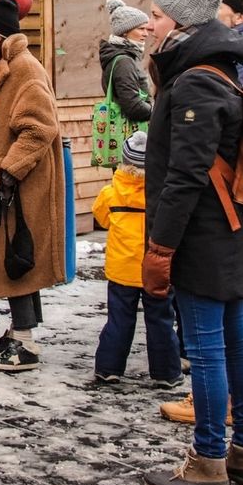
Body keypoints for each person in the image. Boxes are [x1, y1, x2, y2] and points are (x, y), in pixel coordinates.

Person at [142, 0, 243, 485]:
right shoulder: (221, 68)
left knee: (210, 349)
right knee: (237, 342)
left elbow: (185, 176)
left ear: (182, 25)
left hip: (204, 235)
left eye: (156, 16)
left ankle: (209, 460)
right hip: (233, 229)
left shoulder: (195, 81)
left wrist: (161, 246)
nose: (149, 23)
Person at [0, 0, 66, 373]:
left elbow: (39, 128)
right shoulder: (4, 64)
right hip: (9, 184)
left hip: (20, 187)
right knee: (14, 258)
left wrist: (10, 169)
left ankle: (26, 342)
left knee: (17, 260)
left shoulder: (25, 70)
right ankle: (18, 332)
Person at [92, 130, 181, 387]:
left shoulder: (111, 193)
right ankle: (166, 372)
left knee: (119, 320)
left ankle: (108, 368)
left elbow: (102, 218)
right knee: (161, 320)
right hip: (155, 267)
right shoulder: (162, 192)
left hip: (121, 270)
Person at [100, 0, 153, 137]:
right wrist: (157, 112)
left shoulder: (123, 56)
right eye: (141, 29)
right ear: (125, 31)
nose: (146, 34)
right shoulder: (124, 61)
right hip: (130, 135)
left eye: (146, 29)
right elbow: (133, 106)